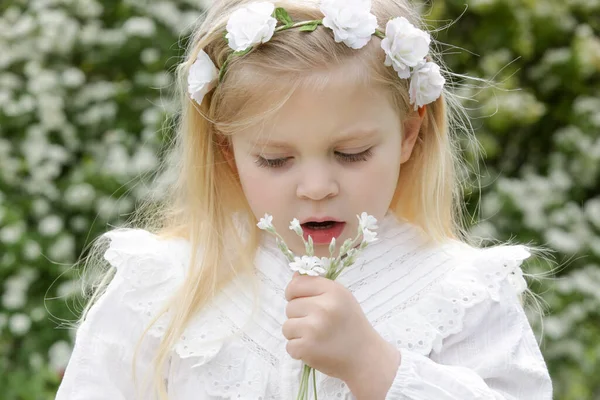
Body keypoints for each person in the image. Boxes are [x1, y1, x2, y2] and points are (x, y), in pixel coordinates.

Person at [55, 0, 552, 399]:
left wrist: (376, 367)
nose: (316, 187)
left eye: (351, 153)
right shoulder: (165, 282)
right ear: (229, 153)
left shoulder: (460, 292)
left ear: (408, 134)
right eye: (274, 159)